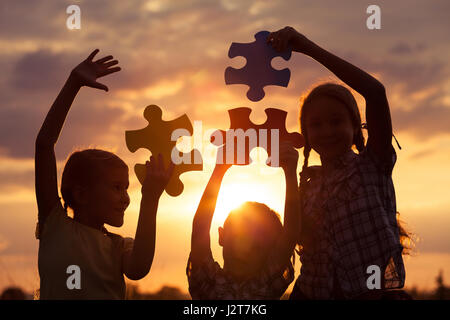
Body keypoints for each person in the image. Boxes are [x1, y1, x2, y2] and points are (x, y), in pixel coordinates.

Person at [267, 27, 410, 299]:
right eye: (317, 125)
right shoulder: (306, 187)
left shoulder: (372, 166)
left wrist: (307, 47)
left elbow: (375, 92)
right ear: (306, 136)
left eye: (336, 121)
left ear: (356, 127)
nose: (327, 131)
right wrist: (287, 173)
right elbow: (291, 237)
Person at [35, 49, 174, 299]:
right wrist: (73, 84)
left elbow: (138, 269)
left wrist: (151, 197)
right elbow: (45, 144)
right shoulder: (54, 225)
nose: (125, 197)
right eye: (116, 187)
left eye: (126, 188)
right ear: (82, 194)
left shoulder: (119, 246)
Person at [187, 147, 298, 299]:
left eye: (257, 247)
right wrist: (219, 171)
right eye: (238, 239)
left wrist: (291, 173)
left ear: (271, 251)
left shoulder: (266, 282)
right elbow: (200, 228)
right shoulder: (208, 280)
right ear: (222, 236)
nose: (245, 251)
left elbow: (290, 235)